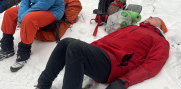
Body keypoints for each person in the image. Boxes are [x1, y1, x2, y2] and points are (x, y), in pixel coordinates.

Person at [36, 16, 169, 89]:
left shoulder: (160, 41)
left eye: (155, 18)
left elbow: (151, 67)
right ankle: (43, 84)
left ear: (160, 27)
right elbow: (107, 39)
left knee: (76, 47)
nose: (150, 17)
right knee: (66, 43)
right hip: (101, 54)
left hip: (114, 64)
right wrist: (90, 49)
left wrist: (124, 82)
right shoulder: (132, 27)